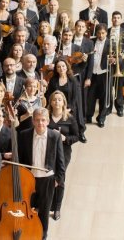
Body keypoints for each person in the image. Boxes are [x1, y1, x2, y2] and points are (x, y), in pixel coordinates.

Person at [18, 108, 65, 240]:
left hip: (47, 179)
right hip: (29, 178)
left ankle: (42, 234)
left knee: (44, 210)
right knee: (26, 206)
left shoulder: (55, 136)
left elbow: (61, 161)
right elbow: (21, 158)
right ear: (33, 121)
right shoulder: (24, 135)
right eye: (37, 120)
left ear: (48, 121)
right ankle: (27, 230)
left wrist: (58, 180)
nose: (40, 123)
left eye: (43, 120)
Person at [47, 90, 79, 221]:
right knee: (48, 177)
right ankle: (47, 204)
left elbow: (77, 136)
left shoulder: (69, 118)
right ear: (51, 102)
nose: (57, 102)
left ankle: (57, 208)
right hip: (48, 151)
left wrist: (65, 139)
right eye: (54, 100)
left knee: (60, 178)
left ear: (64, 102)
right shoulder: (46, 116)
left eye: (59, 100)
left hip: (63, 152)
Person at [86, 24, 115, 128]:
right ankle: (88, 116)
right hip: (93, 73)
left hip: (104, 73)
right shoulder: (91, 41)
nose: (101, 35)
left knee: (104, 97)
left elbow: (118, 56)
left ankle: (101, 118)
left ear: (106, 33)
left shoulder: (111, 43)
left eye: (103, 33)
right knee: (90, 96)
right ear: (96, 33)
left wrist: (114, 60)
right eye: (99, 33)